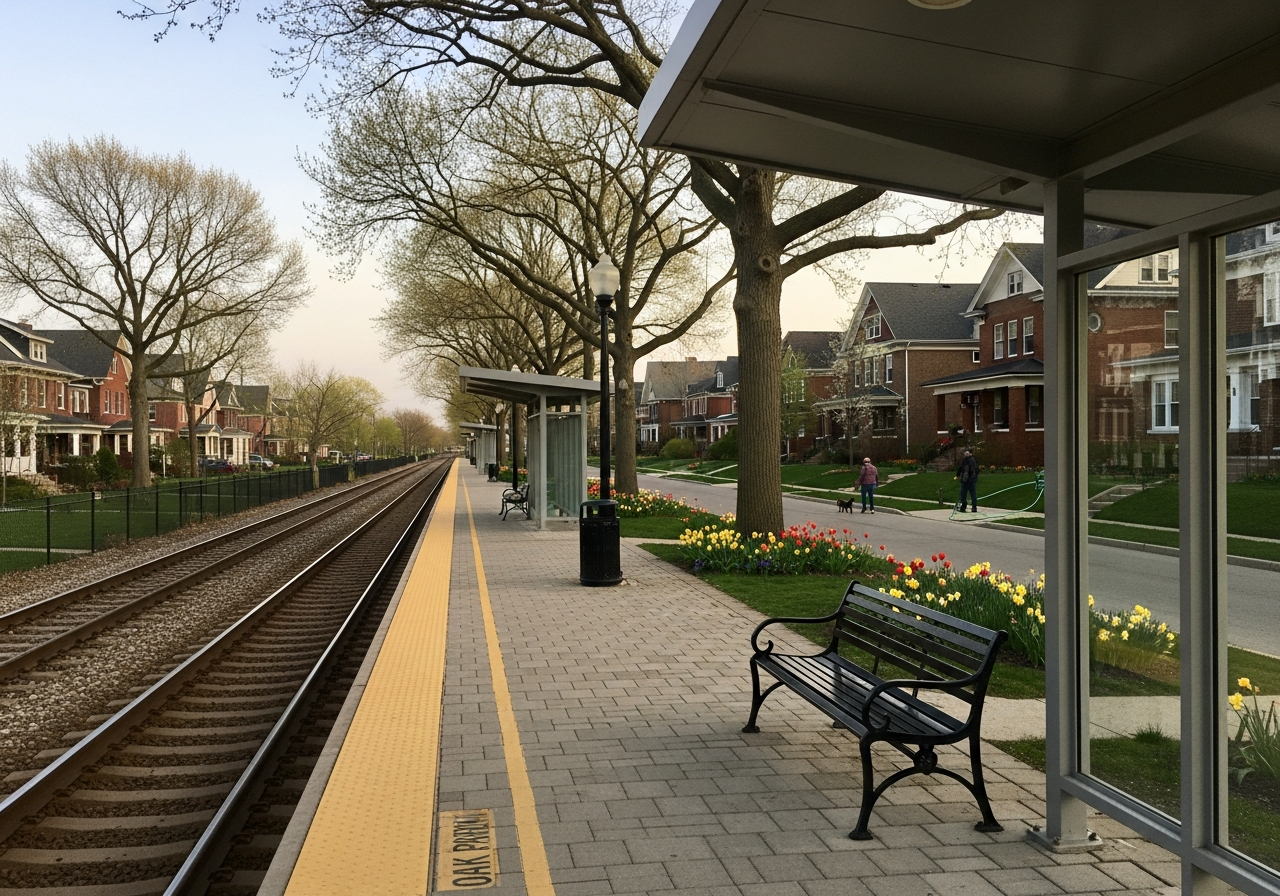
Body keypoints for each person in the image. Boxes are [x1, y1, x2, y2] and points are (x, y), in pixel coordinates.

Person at [956, 448, 979, 513]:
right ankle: (974, 508)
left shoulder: (966, 460)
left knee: (963, 494)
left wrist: (958, 475)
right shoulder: (974, 460)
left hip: (965, 480)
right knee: (973, 494)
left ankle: (963, 507)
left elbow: (962, 468)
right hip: (972, 480)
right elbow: (977, 470)